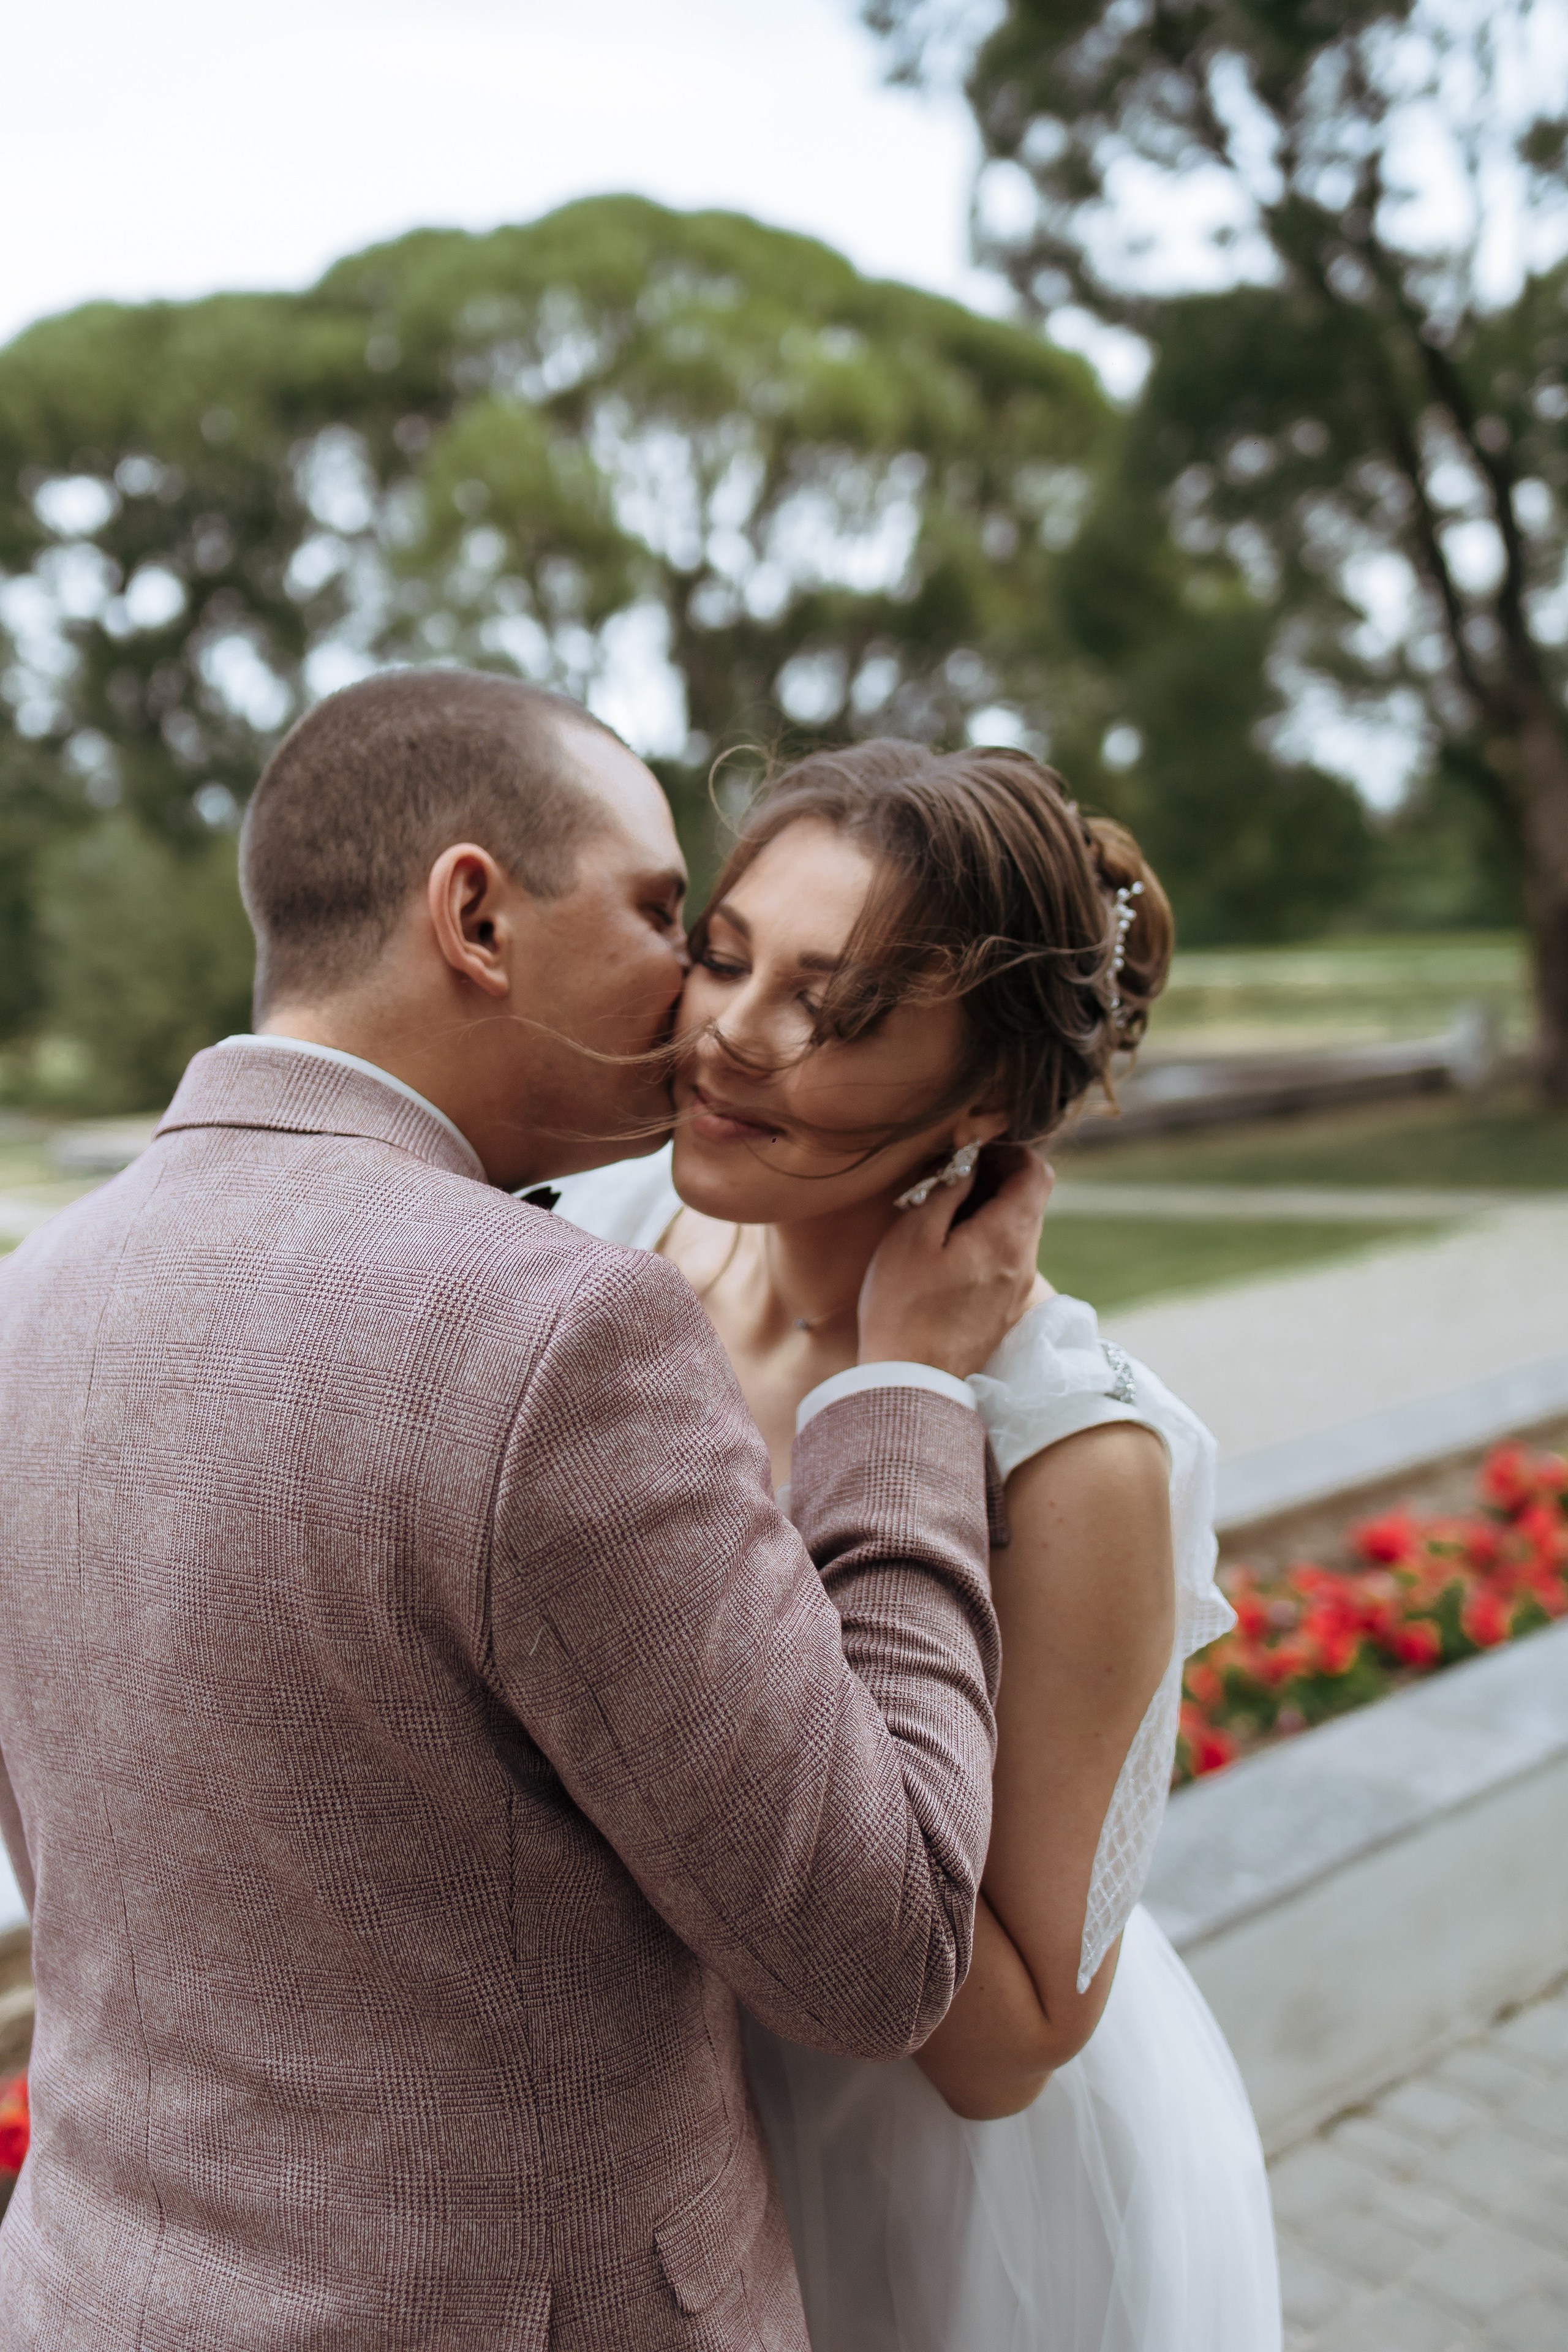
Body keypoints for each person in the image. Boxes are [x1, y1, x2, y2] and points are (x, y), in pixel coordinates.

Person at [0, 671, 1050, 2350]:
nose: (696, 1001)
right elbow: (888, 1950)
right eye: (663, 917)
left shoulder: (27, 1305)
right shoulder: (558, 1331)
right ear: (476, 916)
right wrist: (904, 1397)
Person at [550, 738, 1283, 2351]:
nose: (731, 1033)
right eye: (723, 956)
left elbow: (1010, 2040)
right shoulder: (599, 1242)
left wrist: (903, 1406)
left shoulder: (1078, 1454)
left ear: (985, 1096)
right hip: (628, 2150)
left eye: (841, 1004)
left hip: (911, 2204)